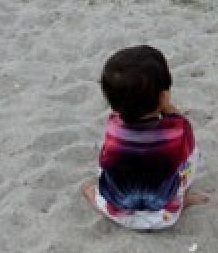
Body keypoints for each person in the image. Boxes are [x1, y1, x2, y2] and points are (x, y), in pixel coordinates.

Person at [81, 45, 207, 230]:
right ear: (163, 97)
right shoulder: (178, 130)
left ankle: (91, 194)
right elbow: (186, 152)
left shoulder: (113, 126)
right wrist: (169, 108)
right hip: (165, 215)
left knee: (106, 171)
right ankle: (183, 199)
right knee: (189, 157)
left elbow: (105, 161)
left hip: (118, 211)